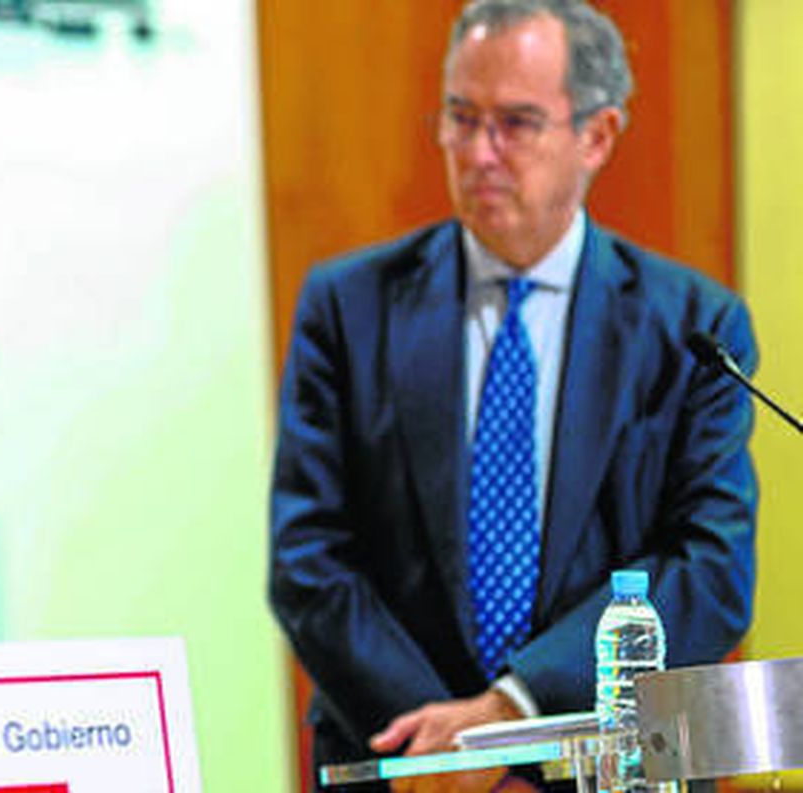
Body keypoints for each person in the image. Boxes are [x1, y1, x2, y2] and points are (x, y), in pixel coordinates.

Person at [268, 0, 756, 787]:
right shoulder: (350, 307)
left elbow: (710, 566)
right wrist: (453, 754)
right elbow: (309, 558)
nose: (479, 153)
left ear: (597, 137)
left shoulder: (693, 327)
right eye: (461, 118)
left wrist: (514, 712)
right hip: (406, 761)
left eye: (516, 124)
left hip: (613, 767)